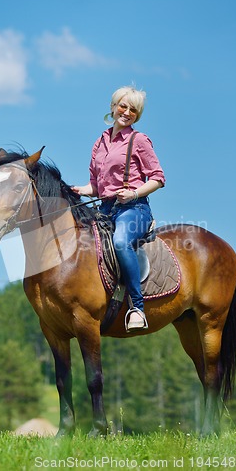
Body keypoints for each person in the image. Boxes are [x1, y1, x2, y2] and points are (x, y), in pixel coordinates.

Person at [72, 86, 165, 331]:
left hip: (134, 209)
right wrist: (80, 190)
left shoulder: (140, 141)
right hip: (106, 208)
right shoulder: (100, 142)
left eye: (133, 109)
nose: (127, 112)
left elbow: (158, 178)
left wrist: (134, 192)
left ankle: (137, 308)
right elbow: (96, 185)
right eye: (123, 106)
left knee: (121, 242)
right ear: (113, 107)